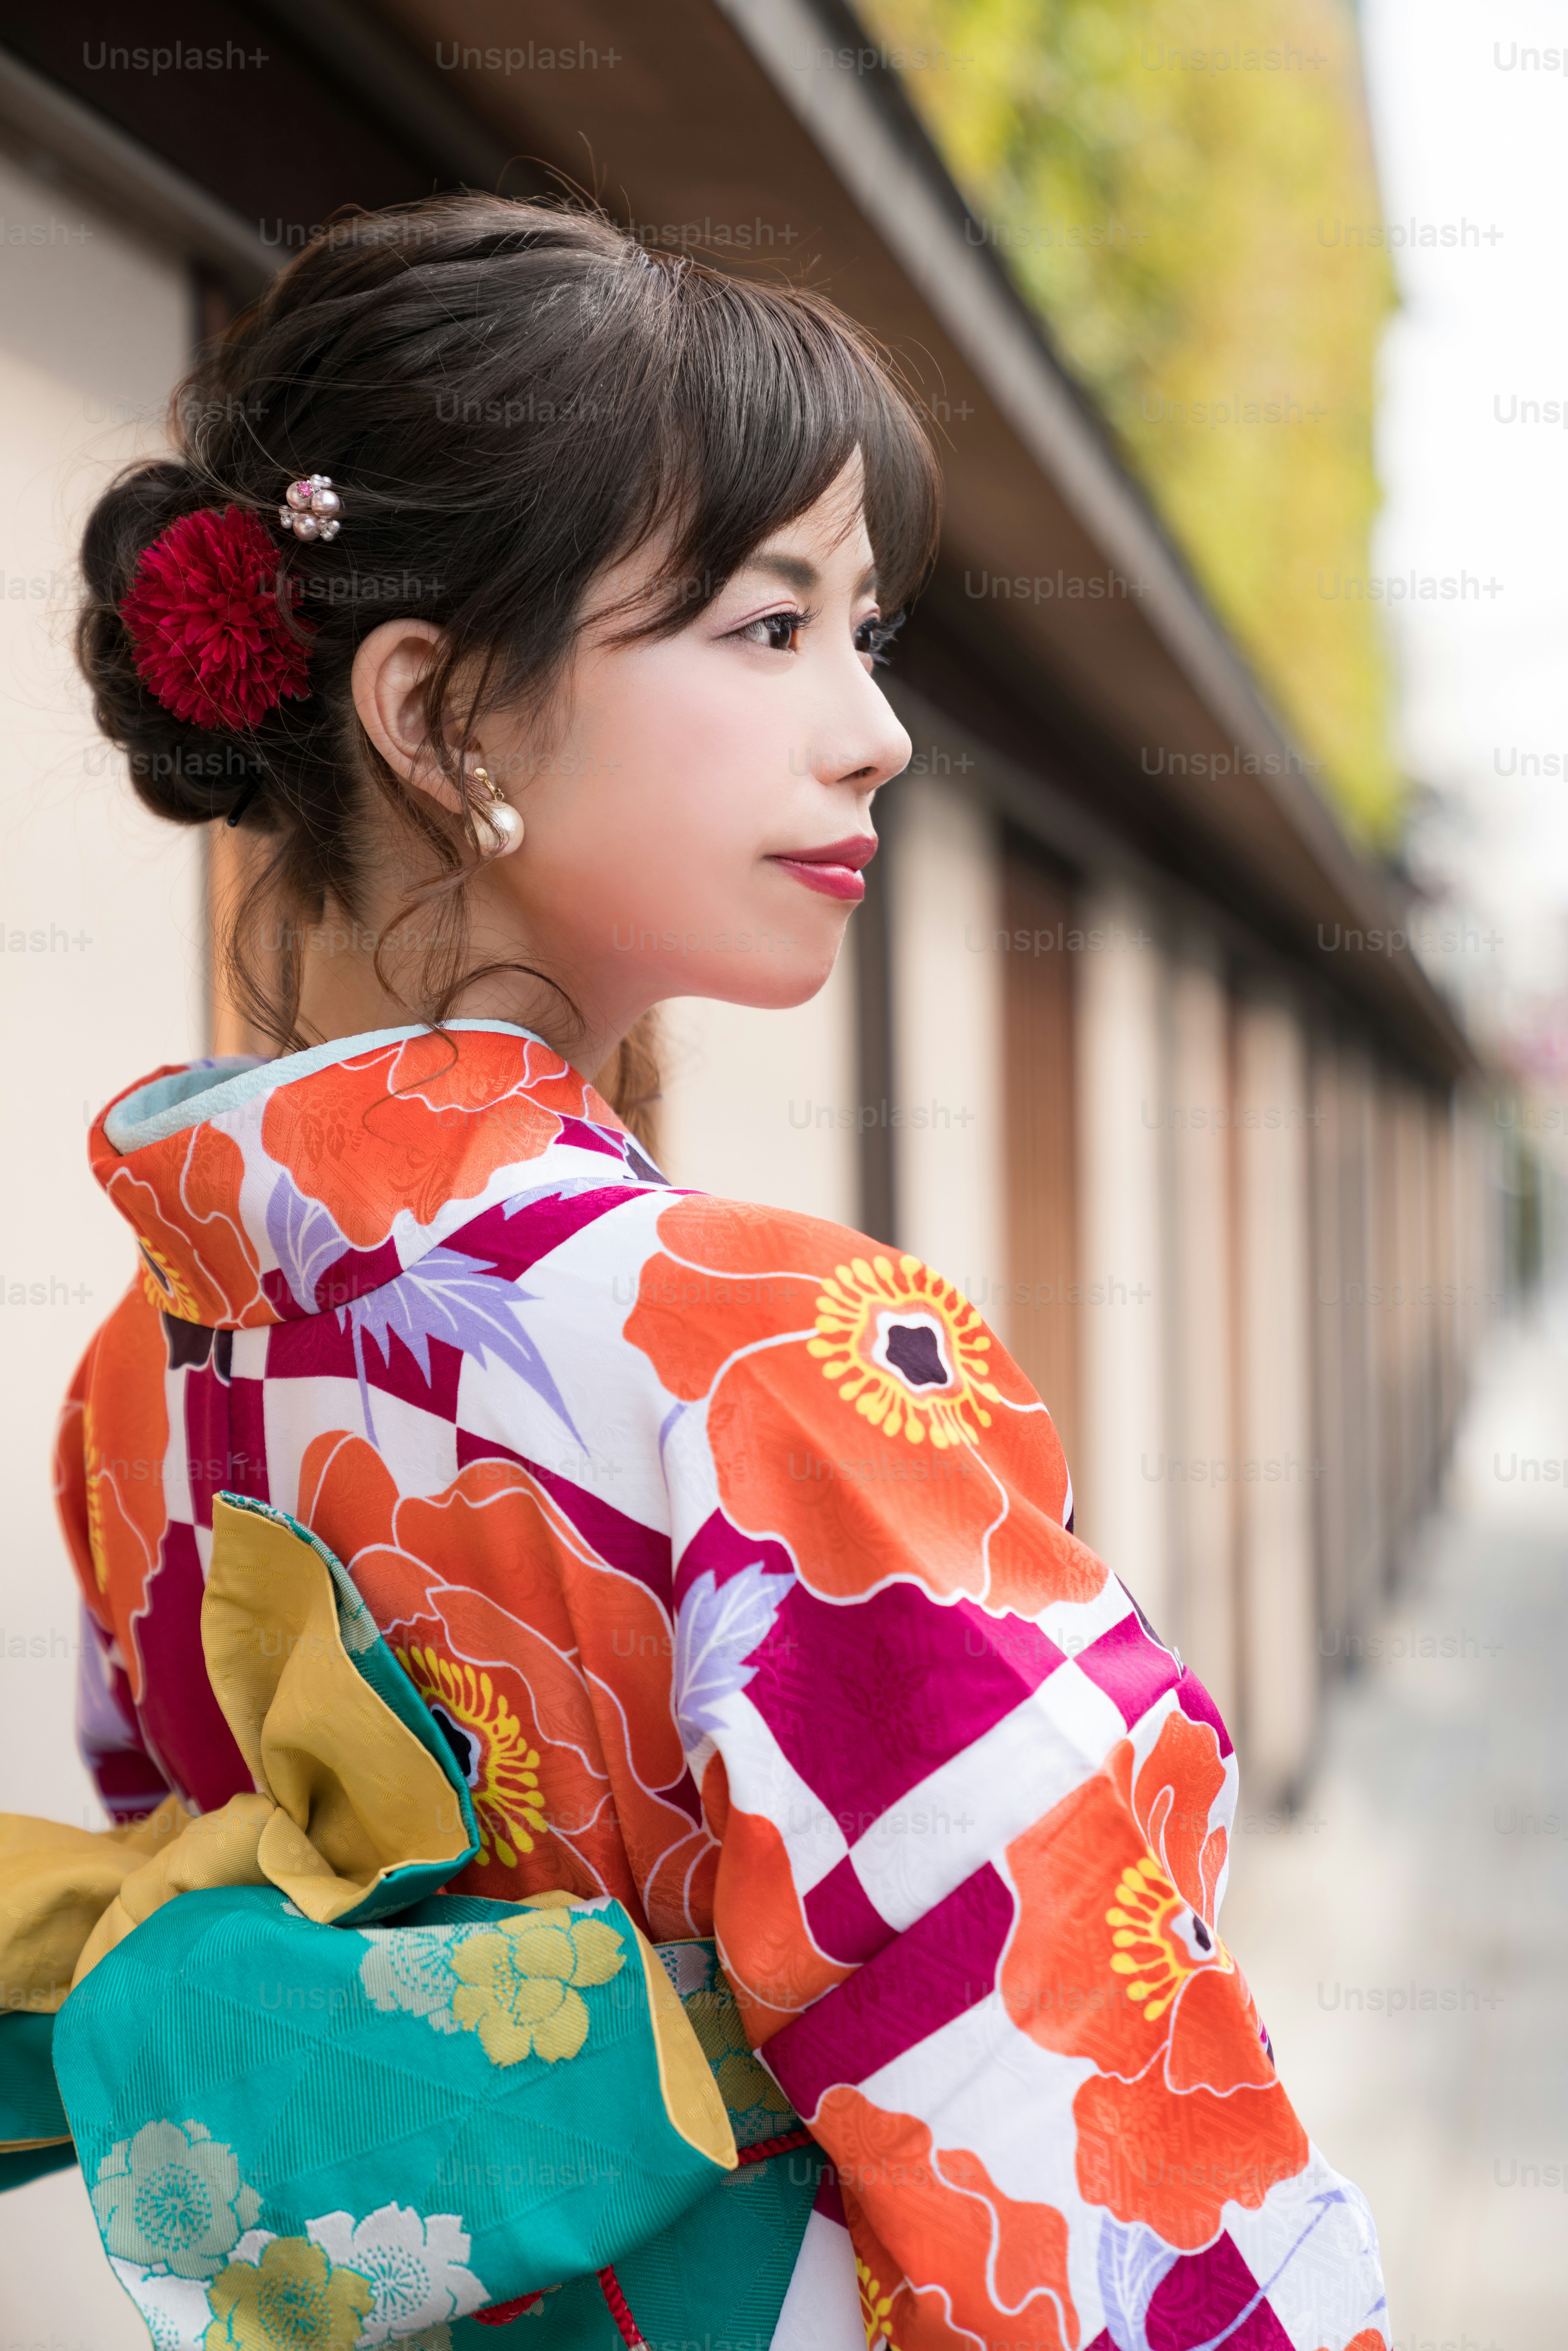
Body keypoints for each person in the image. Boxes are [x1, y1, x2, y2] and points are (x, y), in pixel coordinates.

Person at [31, 194, 1386, 2349]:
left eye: (867, 636)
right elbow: (1068, 2126)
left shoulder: (147, 1367)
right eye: (769, 630)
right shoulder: (767, 1351)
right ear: (438, 713)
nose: (873, 732)